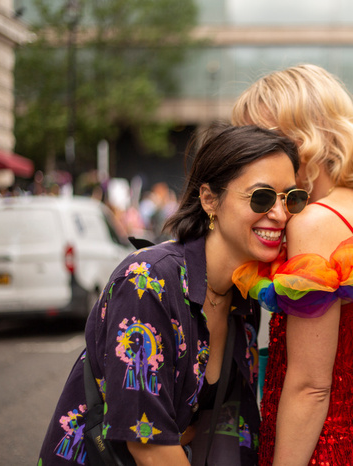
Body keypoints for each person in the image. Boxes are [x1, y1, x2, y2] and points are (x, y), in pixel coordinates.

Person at [38, 124, 306, 465]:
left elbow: (228, 426)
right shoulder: (147, 282)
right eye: (262, 197)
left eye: (292, 198)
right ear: (209, 199)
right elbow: (149, 446)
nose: (281, 214)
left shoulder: (246, 296)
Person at [231, 64, 353, 465]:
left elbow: (310, 387)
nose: (247, 156)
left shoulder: (314, 221)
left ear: (302, 139)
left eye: (259, 140)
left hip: (318, 450)